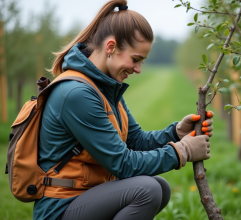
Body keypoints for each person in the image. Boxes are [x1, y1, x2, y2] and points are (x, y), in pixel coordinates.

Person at [33, 0, 214, 219]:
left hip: (87, 196)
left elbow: (135, 141)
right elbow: (122, 163)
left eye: (142, 62)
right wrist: (182, 151)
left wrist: (176, 133)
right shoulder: (76, 94)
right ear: (111, 47)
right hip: (60, 207)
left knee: (160, 187)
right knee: (148, 190)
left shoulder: (104, 88)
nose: (138, 69)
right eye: (135, 59)